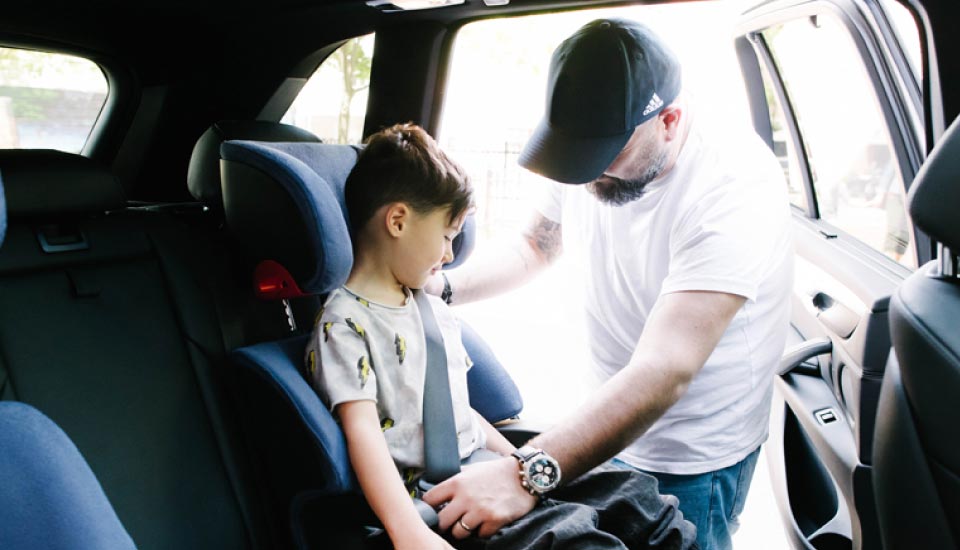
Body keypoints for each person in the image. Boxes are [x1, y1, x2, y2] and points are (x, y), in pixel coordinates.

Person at [421, 18, 793, 550]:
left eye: (605, 157)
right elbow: (536, 246)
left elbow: (665, 367)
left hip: (693, 453)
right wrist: (443, 289)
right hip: (605, 421)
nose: (587, 176)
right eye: (574, 157)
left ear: (670, 120)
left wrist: (525, 474)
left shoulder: (733, 187)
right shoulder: (589, 157)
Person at [306, 123, 698, 550]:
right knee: (577, 542)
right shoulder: (344, 325)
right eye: (446, 236)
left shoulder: (431, 308)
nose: (450, 255)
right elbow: (362, 433)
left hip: (484, 466)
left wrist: (519, 468)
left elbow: (458, 411)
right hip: (432, 499)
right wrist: (409, 532)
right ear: (398, 221)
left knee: (634, 498)